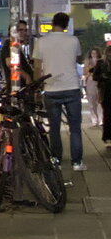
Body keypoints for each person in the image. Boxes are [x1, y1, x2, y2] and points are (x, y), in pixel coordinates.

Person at [33, 12, 85, 171]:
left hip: (51, 89)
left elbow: (37, 67)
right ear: (67, 24)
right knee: (75, 126)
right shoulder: (73, 40)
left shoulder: (41, 42)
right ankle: (77, 163)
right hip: (71, 88)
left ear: (52, 23)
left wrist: (37, 87)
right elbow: (78, 59)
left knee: (54, 127)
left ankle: (56, 159)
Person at [0, 19, 34, 87]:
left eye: (25, 30)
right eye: (20, 30)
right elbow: (11, 64)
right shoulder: (9, 46)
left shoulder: (16, 47)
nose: (23, 33)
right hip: (18, 91)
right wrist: (26, 77)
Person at [83, 47, 102, 128]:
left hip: (99, 82)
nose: (94, 55)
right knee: (91, 102)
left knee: (100, 102)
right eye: (92, 53)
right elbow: (85, 72)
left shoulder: (101, 62)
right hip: (90, 81)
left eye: (95, 53)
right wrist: (90, 66)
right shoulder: (87, 62)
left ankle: (101, 119)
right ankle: (94, 120)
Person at [96, 47, 111, 144]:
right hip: (106, 90)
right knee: (108, 114)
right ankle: (108, 136)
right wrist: (102, 77)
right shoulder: (101, 63)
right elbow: (95, 76)